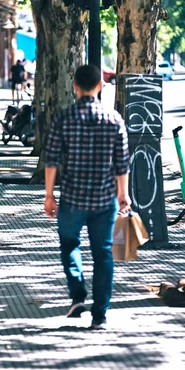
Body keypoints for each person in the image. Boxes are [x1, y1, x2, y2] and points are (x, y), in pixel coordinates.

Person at [44, 64, 130, 330]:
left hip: (72, 198)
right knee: (103, 253)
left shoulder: (64, 118)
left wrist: (49, 195)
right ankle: (100, 315)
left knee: (70, 244)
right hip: (105, 200)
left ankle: (78, 294)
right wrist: (123, 195)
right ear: (100, 85)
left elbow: (51, 160)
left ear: (75, 86)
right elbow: (122, 163)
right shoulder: (114, 119)